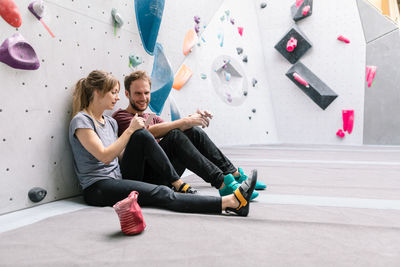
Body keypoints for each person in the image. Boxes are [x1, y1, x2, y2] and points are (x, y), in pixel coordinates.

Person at [68, 70, 257, 216]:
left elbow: (121, 156)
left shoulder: (108, 122)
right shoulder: (82, 121)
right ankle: (229, 202)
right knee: (162, 194)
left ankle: (225, 182)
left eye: (117, 93)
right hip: (98, 188)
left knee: (154, 137)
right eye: (113, 93)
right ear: (97, 92)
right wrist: (132, 131)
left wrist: (189, 120)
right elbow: (105, 156)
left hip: (121, 178)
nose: (117, 97)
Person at [112, 71, 266, 198]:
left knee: (193, 132)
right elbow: (147, 133)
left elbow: (171, 129)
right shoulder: (121, 116)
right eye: (138, 93)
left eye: (146, 93)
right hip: (142, 177)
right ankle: (222, 183)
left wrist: (194, 119)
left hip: (164, 171)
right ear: (127, 94)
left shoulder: (152, 117)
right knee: (175, 135)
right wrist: (185, 120)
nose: (143, 98)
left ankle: (234, 174)